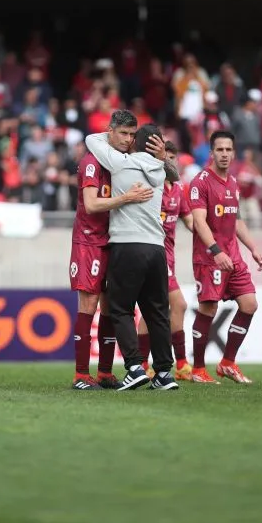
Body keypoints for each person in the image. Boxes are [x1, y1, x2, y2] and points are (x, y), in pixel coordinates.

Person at [85, 119, 179, 391]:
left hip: (128, 245)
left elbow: (92, 139)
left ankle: (135, 367)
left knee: (119, 308)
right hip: (157, 249)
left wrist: (117, 137)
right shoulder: (161, 170)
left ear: (137, 142)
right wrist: (160, 155)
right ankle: (163, 373)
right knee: (158, 312)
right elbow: (172, 172)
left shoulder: (121, 162)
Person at [69, 111, 150, 390]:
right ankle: (81, 375)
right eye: (123, 134)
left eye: (131, 135)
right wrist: (127, 198)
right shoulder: (92, 162)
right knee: (88, 306)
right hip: (89, 241)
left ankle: (104, 372)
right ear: (110, 132)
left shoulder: (120, 163)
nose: (128, 140)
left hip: (114, 241)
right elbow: (91, 205)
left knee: (112, 307)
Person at [187, 130, 262, 385]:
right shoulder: (200, 182)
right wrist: (216, 251)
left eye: (228, 150)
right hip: (209, 257)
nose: (224, 154)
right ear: (211, 153)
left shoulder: (233, 182)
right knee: (208, 309)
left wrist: (253, 248)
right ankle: (198, 368)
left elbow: (237, 220)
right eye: (219, 150)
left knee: (249, 304)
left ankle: (227, 363)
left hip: (233, 256)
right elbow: (199, 222)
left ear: (233, 153)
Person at [137, 140, 194, 380]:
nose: (168, 161)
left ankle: (144, 364)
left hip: (168, 259)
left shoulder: (179, 190)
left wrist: (212, 236)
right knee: (177, 304)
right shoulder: (151, 187)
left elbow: (190, 220)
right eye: (165, 156)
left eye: (172, 157)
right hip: (151, 254)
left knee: (152, 309)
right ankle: (179, 364)